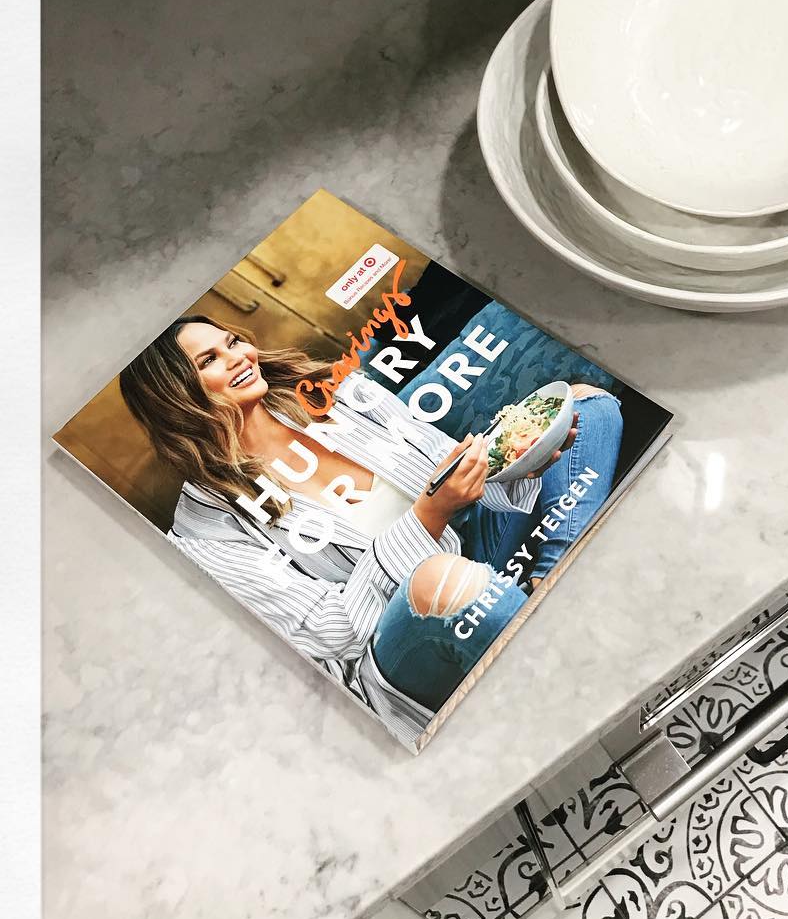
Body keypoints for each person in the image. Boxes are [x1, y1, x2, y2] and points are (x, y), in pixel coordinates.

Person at [118, 315, 624, 746]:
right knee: (440, 577)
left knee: (588, 407)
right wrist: (428, 516)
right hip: (392, 647)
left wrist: (514, 463)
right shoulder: (204, 529)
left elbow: (445, 472)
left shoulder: (336, 394)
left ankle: (547, 581)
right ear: (174, 398)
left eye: (232, 342)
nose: (238, 357)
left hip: (473, 553)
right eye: (209, 360)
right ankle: (564, 637)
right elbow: (334, 632)